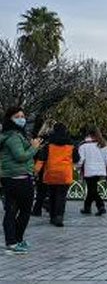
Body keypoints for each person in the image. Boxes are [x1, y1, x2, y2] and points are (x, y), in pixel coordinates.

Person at [0, 107, 41, 254]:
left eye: (23, 116)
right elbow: (21, 156)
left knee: (14, 210)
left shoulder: (14, 135)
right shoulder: (13, 137)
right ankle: (13, 241)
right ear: (10, 119)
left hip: (14, 178)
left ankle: (15, 240)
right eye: (17, 116)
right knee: (19, 211)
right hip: (18, 179)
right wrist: (34, 148)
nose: (21, 119)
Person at [37, 123, 79, 227]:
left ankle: (52, 216)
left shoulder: (49, 145)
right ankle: (59, 216)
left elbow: (41, 159)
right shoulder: (71, 145)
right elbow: (77, 158)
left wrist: (35, 171)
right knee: (61, 196)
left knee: (52, 195)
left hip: (51, 173)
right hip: (64, 174)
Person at [78, 127, 107, 215]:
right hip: (100, 169)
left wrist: (77, 167)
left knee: (92, 189)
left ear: (88, 134)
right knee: (91, 189)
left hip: (88, 170)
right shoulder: (103, 144)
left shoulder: (84, 145)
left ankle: (100, 205)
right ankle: (87, 207)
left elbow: (81, 159)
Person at [30, 120, 55, 217]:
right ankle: (51, 207)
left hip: (41, 166)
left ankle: (37, 209)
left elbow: (34, 153)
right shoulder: (57, 139)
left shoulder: (40, 139)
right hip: (54, 165)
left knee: (41, 189)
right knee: (53, 189)